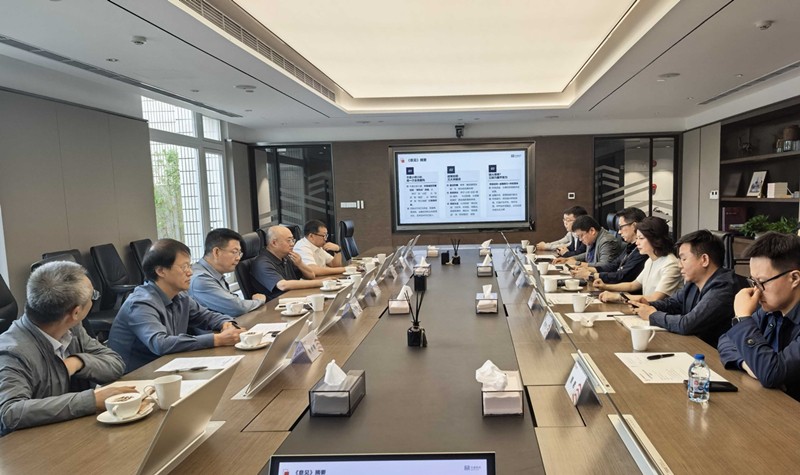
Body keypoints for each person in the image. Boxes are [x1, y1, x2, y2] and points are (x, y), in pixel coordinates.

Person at [0, 261, 129, 436]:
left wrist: (78, 362)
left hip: (73, 431)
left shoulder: (72, 328)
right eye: (93, 296)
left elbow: (115, 364)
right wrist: (91, 400)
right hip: (34, 444)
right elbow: (10, 412)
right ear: (76, 312)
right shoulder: (12, 352)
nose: (93, 299)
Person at [108, 239, 244, 372]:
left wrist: (226, 323)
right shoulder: (141, 304)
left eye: (190, 266)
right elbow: (160, 343)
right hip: (136, 376)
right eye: (184, 267)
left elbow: (206, 316)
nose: (190, 272)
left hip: (167, 367)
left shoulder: (180, 296)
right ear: (161, 271)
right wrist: (216, 339)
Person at [628, 230, 747, 347]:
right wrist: (647, 304)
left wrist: (652, 315)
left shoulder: (723, 287)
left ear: (704, 260)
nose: (679, 265)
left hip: (713, 354)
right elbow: (673, 304)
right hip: (693, 346)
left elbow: (687, 324)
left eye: (684, 259)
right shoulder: (694, 281)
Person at [718, 232, 800, 400]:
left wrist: (743, 318)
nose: (756, 290)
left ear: (794, 278)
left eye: (761, 282)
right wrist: (750, 365)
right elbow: (725, 340)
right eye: (753, 282)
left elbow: (771, 374)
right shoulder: (770, 310)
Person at [595, 216, 681, 303]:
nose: (637, 243)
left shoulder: (671, 264)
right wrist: (605, 286)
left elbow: (654, 298)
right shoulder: (650, 260)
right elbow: (633, 285)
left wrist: (618, 297)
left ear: (655, 239)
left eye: (641, 238)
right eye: (637, 238)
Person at [189, 228, 266, 317]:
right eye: (234, 252)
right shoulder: (201, 279)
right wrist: (258, 300)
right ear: (216, 252)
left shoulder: (214, 274)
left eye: (239, 253)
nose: (238, 258)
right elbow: (237, 308)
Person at [571, 207, 647, 284]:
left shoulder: (642, 251)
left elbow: (621, 276)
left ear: (634, 226)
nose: (619, 232)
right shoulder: (630, 246)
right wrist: (587, 270)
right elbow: (612, 266)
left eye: (621, 227)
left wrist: (591, 275)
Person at [250, 225, 328, 300]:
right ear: (274, 243)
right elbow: (283, 285)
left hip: (293, 298)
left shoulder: (286, 257)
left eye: (293, 240)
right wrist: (321, 282)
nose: (292, 244)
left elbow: (311, 275)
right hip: (276, 304)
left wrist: (300, 263)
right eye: (289, 240)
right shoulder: (262, 263)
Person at [555, 215, 623, 267]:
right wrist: (569, 259)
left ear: (592, 231)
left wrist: (577, 263)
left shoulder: (607, 241)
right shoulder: (593, 238)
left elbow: (604, 265)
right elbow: (588, 255)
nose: (580, 239)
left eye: (581, 235)